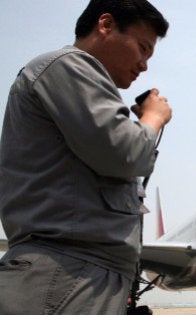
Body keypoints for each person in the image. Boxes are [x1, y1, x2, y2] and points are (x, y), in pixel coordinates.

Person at [0, 1, 171, 314]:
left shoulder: (73, 83)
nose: (144, 65)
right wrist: (152, 119)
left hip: (81, 275)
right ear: (105, 25)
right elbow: (126, 154)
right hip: (66, 273)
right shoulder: (67, 66)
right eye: (142, 48)